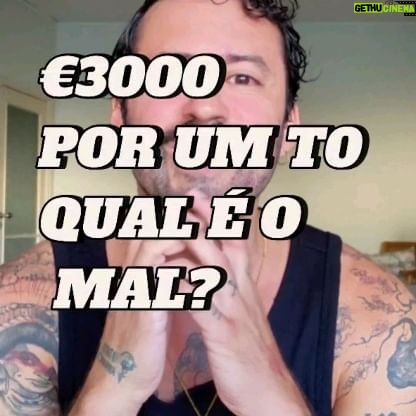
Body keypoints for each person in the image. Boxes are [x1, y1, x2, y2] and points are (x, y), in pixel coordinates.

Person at [0, 0, 415, 415]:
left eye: (242, 77)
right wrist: (110, 390)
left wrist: (272, 398)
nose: (204, 106)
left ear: (289, 129)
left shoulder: (378, 323)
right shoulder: (19, 307)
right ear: (120, 116)